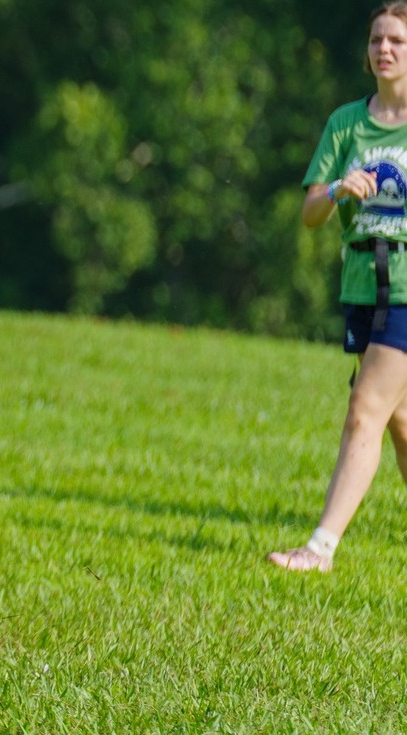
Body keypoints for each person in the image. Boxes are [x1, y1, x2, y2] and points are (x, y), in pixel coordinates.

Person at [270, 2, 407, 573]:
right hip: (360, 284)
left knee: (365, 410)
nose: (384, 49)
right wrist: (335, 194)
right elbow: (308, 213)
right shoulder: (346, 122)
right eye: (377, 39)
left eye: (397, 40)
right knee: (400, 425)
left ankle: (320, 547)